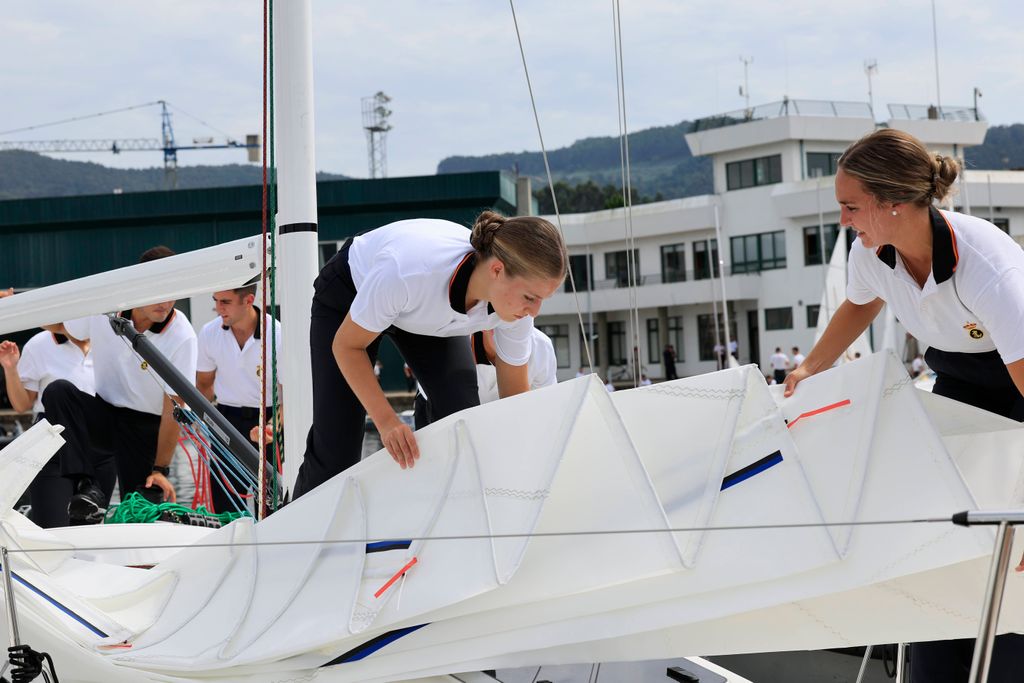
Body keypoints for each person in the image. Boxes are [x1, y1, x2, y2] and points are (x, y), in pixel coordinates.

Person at [782, 128, 1024, 682]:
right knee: (946, 525)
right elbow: (859, 306)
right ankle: (936, 657)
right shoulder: (872, 251)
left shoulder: (987, 268)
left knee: (1013, 535)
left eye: (850, 206)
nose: (843, 220)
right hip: (960, 377)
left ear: (893, 203)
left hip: (1017, 379)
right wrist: (809, 368)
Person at [292, 211, 566, 498]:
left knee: (462, 416)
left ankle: (451, 515)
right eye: (530, 298)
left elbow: (514, 405)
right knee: (338, 448)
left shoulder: (517, 312)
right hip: (352, 290)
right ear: (497, 270)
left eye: (541, 300)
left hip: (420, 312)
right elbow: (347, 346)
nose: (535, 312)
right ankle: (292, 536)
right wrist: (387, 422)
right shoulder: (408, 272)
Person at [41, 246, 198, 523]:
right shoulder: (107, 306)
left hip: (145, 430)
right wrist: (25, 309)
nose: (166, 302)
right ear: (138, 285)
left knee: (139, 511)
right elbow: (62, 327)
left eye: (172, 291)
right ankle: (86, 486)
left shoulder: (182, 335)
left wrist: (161, 468)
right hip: (105, 415)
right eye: (158, 292)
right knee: (57, 392)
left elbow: (174, 409)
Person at [0, 324, 102, 527]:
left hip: (96, 446)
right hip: (53, 444)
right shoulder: (39, 344)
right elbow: (22, 405)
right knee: (52, 528)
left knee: (90, 532)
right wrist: (10, 368)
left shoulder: (108, 341)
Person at [196, 285, 283, 513]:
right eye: (215, 300)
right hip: (226, 419)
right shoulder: (209, 332)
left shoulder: (277, 334)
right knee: (225, 502)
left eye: (225, 301)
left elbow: (287, 395)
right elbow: (204, 384)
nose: (218, 308)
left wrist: (272, 427)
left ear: (248, 300)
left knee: (272, 504)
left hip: (268, 421)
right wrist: (200, 423)